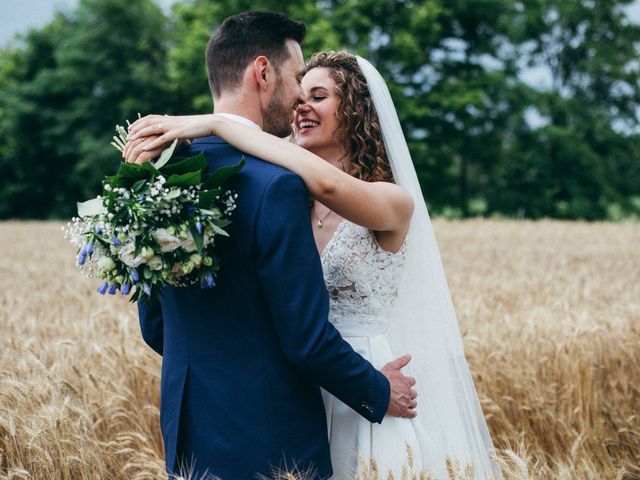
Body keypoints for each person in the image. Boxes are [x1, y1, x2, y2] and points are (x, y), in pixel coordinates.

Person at [128, 50, 503, 479]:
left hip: (366, 379)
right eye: (299, 94)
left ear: (356, 111)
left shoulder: (392, 201)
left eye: (319, 95)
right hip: (298, 386)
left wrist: (217, 123)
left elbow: (327, 181)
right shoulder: (282, 200)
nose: (300, 105)